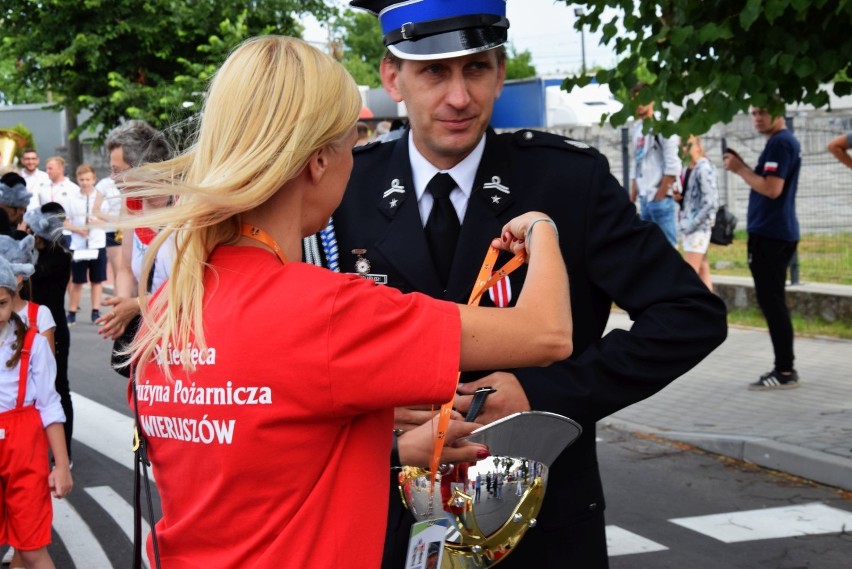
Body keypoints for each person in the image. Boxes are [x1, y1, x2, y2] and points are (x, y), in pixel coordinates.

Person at [123, 36, 572, 569]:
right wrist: (541, 228)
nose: (355, 161)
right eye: (351, 143)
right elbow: (547, 332)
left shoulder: (169, 308)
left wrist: (382, 440)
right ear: (317, 161)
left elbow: (259, 459)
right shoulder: (327, 313)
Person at [323, 2, 727, 567]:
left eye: (477, 68)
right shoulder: (346, 188)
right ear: (394, 78)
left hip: (542, 524)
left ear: (501, 72)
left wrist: (546, 396)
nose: (459, 97)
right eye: (434, 72)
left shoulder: (567, 181)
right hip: (389, 522)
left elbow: (689, 314)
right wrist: (367, 419)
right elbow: (302, 350)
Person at [0, 255, 72, 569]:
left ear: (12, 298)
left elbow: (50, 404)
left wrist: (61, 465)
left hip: (24, 444)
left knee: (29, 547)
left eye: (1, 302)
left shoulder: (33, 343)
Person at [724, 106, 801, 390]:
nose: (757, 118)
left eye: (763, 112)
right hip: (771, 233)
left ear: (779, 112)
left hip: (772, 235)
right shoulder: (779, 142)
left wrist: (739, 168)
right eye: (754, 112)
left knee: (773, 303)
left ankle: (784, 370)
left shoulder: (781, 142)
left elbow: (772, 188)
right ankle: (784, 367)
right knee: (772, 302)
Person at [94, 120, 173, 344]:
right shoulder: (132, 203)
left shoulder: (184, 205)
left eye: (117, 170)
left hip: (183, 334)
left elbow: (192, 286)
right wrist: (120, 306)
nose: (112, 178)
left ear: (144, 167)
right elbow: (126, 269)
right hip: (148, 332)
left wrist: (136, 305)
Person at [23, 204, 74, 464]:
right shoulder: (37, 252)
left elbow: (32, 275)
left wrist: (24, 243)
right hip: (31, 325)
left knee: (58, 386)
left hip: (53, 328)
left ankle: (64, 451)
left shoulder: (60, 256)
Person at [629, 83, 682, 247]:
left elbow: (673, 163)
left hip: (660, 197)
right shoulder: (637, 128)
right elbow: (636, 162)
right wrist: (633, 196)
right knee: (650, 249)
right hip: (644, 198)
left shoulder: (664, 123)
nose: (638, 104)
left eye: (642, 99)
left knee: (668, 248)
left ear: (652, 99)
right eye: (634, 100)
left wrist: (660, 195)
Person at [65, 164, 107, 324]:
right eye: (82, 179)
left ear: (94, 179)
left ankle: (95, 311)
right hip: (79, 245)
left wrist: (96, 221)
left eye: (88, 179)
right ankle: (72, 312)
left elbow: (108, 219)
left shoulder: (101, 197)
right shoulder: (72, 198)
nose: (85, 182)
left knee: (97, 280)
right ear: (77, 180)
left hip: (97, 243)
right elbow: (66, 221)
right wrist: (78, 230)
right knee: (77, 280)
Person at [680, 136, 719, 291]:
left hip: (698, 229)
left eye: (687, 145)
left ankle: (691, 311)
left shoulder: (704, 168)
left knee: (689, 274)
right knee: (703, 272)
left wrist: (693, 223)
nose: (684, 149)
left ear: (697, 145)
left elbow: (711, 202)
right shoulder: (691, 168)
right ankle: (712, 313)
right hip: (691, 226)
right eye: (682, 145)